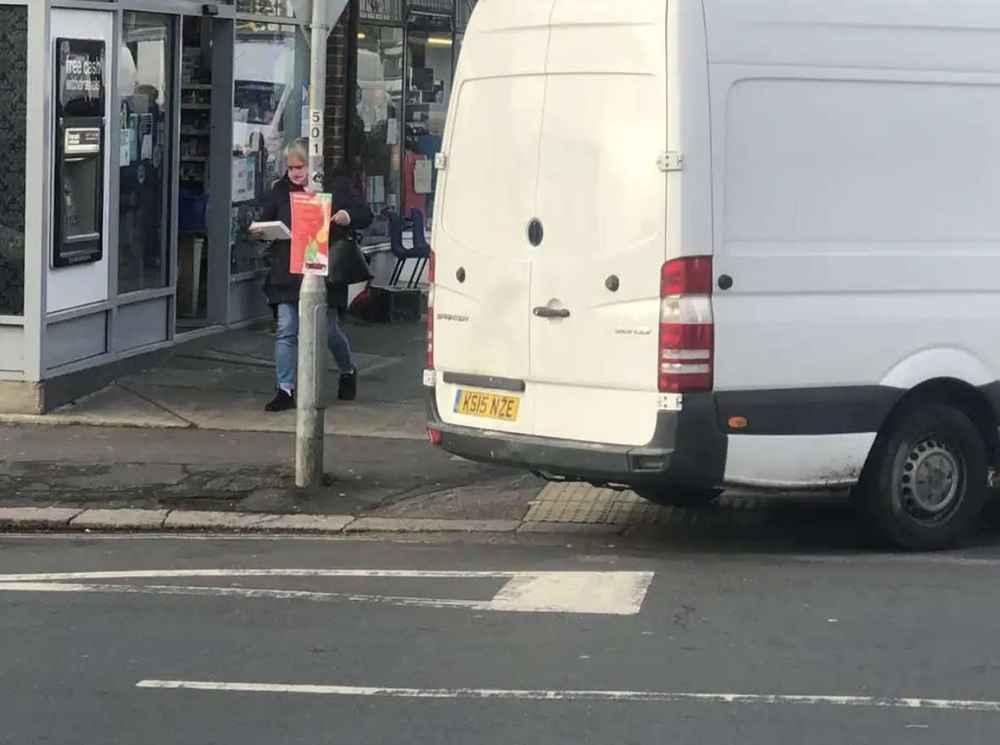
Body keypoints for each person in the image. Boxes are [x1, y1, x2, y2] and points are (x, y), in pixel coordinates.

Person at [253, 138, 373, 412]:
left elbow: (365, 213)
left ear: (313, 164)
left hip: (322, 270)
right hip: (287, 269)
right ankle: (285, 389)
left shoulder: (335, 186)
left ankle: (347, 370)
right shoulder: (281, 190)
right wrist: (262, 231)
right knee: (286, 329)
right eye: (290, 167)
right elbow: (266, 217)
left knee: (328, 330)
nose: (294, 172)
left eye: (300, 166)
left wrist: (345, 215)